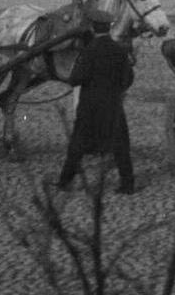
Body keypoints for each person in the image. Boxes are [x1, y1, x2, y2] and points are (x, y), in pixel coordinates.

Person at [54, 24, 136, 195]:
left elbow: (75, 79)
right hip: (113, 106)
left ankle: (64, 182)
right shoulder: (119, 50)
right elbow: (128, 78)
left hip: (89, 107)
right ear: (109, 28)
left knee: (77, 145)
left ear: (92, 29)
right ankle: (127, 184)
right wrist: (116, 90)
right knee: (121, 146)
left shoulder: (89, 51)